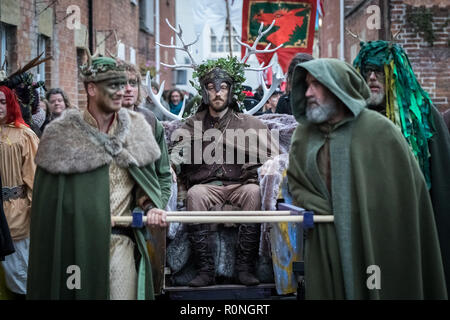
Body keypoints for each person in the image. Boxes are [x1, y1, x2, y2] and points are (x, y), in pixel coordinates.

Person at [287, 58, 447, 299]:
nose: (308, 92)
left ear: (337, 87)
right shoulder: (304, 135)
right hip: (325, 242)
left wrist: (361, 213)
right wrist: (319, 207)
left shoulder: (379, 131)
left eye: (315, 85)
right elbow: (296, 183)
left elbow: (405, 195)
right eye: (306, 85)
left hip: (375, 238)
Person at [27, 56, 168, 300]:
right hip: (75, 244)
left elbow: (147, 184)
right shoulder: (61, 134)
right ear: (91, 88)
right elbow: (49, 203)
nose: (121, 91)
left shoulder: (136, 130)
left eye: (122, 84)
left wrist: (151, 206)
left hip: (120, 241)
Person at [353, 40, 450, 295]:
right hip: (370, 223)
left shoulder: (423, 117)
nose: (372, 77)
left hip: (413, 221)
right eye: (367, 71)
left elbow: (440, 182)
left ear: (395, 73)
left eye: (380, 70)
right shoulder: (353, 119)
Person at [171, 57, 276, 287]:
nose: (218, 93)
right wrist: (171, 165)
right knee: (194, 195)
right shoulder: (192, 124)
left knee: (253, 193)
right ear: (205, 92)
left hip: (240, 184)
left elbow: (272, 155)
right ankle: (205, 270)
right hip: (206, 186)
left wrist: (269, 164)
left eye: (223, 87)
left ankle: (244, 268)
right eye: (211, 88)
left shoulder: (248, 124)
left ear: (230, 91)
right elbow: (176, 153)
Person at [0, 86, 39, 297]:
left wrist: (35, 211)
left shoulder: (24, 135)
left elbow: (34, 178)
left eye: (2, 102)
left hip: (15, 213)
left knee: (19, 272)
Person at [118, 60, 172, 209]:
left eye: (133, 83)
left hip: (145, 204)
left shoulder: (150, 121)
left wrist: (157, 205)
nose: (129, 89)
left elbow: (164, 174)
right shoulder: (101, 122)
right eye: (122, 84)